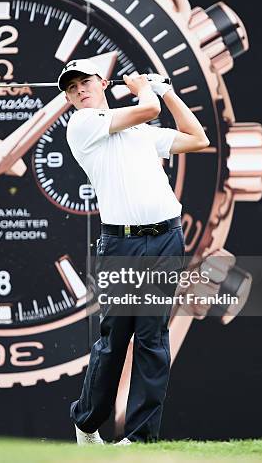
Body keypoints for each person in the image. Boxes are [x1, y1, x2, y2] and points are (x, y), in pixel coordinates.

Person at [59, 59, 209, 446]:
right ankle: (87, 423)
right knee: (114, 339)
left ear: (101, 82)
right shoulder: (83, 125)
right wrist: (145, 88)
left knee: (152, 338)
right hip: (121, 244)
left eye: (85, 82)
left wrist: (168, 92)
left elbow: (197, 139)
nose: (79, 90)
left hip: (165, 240)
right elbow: (148, 107)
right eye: (71, 88)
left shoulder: (141, 131)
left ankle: (139, 440)